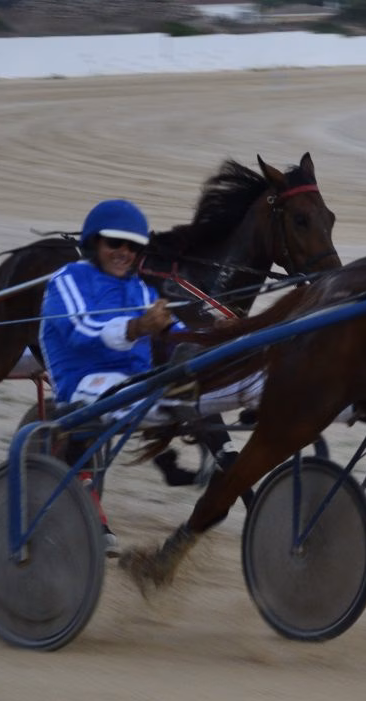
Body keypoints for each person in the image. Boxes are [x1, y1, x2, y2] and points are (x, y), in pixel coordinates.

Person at [40, 199, 262, 554]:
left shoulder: (142, 290)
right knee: (158, 384)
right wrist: (136, 327)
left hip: (142, 389)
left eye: (132, 246)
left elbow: (174, 335)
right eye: (115, 243)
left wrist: (218, 333)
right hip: (85, 387)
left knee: (242, 369)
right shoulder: (68, 279)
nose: (124, 252)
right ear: (95, 242)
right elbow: (80, 329)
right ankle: (177, 395)